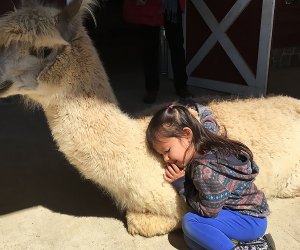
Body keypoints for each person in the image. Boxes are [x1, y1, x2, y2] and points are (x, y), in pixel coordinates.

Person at [146, 104, 275, 250]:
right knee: (191, 239)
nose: (166, 159)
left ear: (187, 135)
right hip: (251, 217)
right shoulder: (209, 137)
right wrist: (202, 109)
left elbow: (208, 211)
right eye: (161, 155)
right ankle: (256, 246)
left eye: (167, 150)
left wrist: (181, 184)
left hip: (248, 221)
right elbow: (209, 121)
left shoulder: (204, 169)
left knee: (191, 222)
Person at [123, 0, 192, 104]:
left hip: (171, 5)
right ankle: (151, 88)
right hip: (148, 5)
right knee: (149, 49)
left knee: (177, 46)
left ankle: (181, 86)